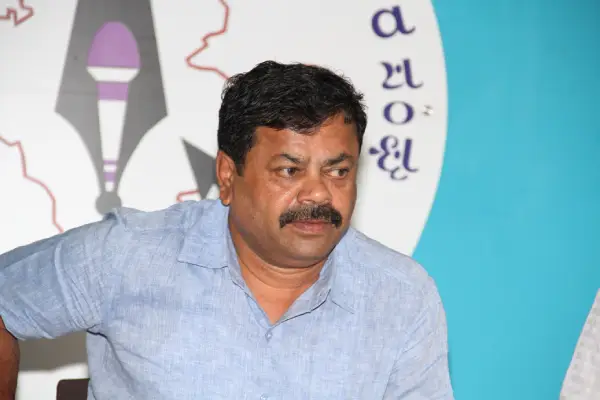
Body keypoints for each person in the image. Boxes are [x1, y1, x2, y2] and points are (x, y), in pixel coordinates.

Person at [0, 61, 454, 399]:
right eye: (290, 170)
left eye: (338, 171)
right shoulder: (126, 257)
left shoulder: (401, 296)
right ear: (227, 174)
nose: (319, 193)